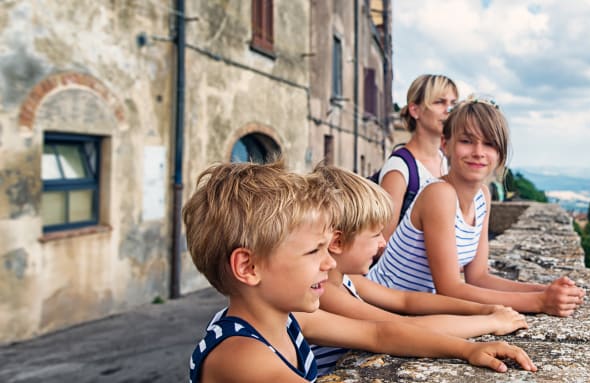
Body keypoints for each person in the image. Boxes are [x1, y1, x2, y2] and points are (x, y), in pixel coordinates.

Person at [183, 162, 536, 382]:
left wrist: (467, 350)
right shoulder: (241, 356)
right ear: (249, 267)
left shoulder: (287, 319)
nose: (329, 262)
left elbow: (379, 335)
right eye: (313, 251)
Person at [367, 96, 587, 317]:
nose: (478, 152)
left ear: (500, 153)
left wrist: (546, 290)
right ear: (446, 145)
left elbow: (479, 277)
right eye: (467, 141)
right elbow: (450, 289)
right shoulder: (439, 194)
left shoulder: (482, 195)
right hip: (376, 310)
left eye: (489, 143)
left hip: (408, 314)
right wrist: (539, 302)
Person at [312, 164, 528, 374]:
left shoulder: (345, 278)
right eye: (375, 235)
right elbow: (397, 328)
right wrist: (489, 322)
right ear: (338, 243)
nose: (383, 243)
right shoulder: (324, 290)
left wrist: (482, 308)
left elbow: (406, 300)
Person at [378, 74, 457, 240]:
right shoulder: (399, 169)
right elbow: (382, 242)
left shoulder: (445, 161)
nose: (448, 111)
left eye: (453, 104)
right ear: (415, 110)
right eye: (439, 102)